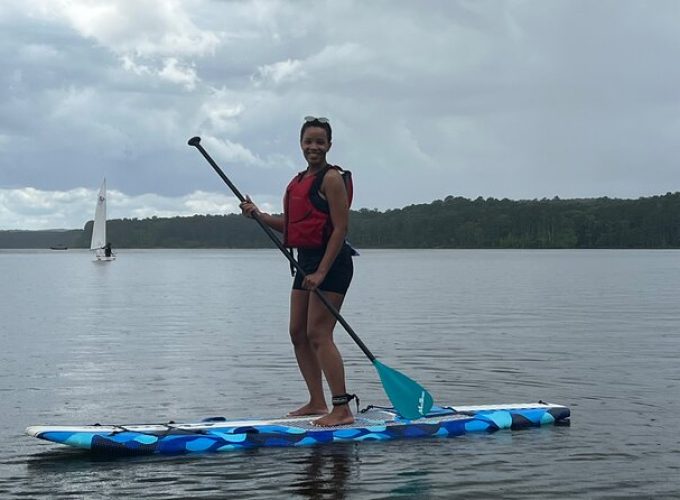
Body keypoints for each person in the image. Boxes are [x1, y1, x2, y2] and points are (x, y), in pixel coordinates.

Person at [239, 116, 356, 427]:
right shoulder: (298, 180)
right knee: (297, 332)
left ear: (329, 145)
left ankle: (342, 408)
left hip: (332, 262)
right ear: (301, 144)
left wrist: (320, 272)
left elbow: (340, 229)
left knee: (319, 334)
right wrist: (260, 217)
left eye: (320, 141)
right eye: (308, 141)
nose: (313, 147)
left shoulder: (331, 179)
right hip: (304, 261)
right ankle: (316, 400)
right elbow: (293, 227)